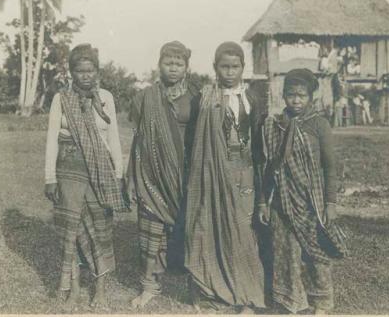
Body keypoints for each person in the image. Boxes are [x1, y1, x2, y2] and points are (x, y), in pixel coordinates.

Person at [184, 42, 266, 313]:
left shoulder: (252, 98)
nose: (230, 72)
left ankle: (247, 297)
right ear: (215, 67)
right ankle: (212, 292)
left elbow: (258, 144)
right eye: (224, 66)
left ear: (244, 67)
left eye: (235, 66)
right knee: (210, 229)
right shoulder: (205, 97)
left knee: (243, 233)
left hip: (244, 172)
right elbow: (195, 140)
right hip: (212, 171)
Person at [257, 68, 347, 314]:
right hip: (283, 201)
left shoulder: (319, 124)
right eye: (290, 95)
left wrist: (330, 204)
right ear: (283, 96)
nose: (296, 100)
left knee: (317, 254)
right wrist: (263, 202)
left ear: (311, 97)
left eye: (302, 95)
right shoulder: (275, 125)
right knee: (287, 253)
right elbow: (268, 167)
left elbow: (330, 166)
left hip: (312, 202)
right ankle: (291, 301)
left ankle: (321, 302)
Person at [44, 43, 128, 307]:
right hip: (68, 171)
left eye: (90, 70)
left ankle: (101, 289)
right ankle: (75, 289)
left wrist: (119, 173)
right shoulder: (61, 99)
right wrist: (50, 177)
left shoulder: (106, 98)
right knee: (71, 231)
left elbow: (113, 138)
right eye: (80, 71)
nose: (86, 76)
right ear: (72, 73)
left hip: (100, 173)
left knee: (101, 231)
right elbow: (51, 140)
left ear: (97, 71)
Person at [127, 41, 201, 308]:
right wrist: (132, 177)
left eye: (178, 63)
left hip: (186, 176)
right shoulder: (145, 97)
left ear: (186, 67)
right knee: (151, 232)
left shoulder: (196, 97)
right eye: (168, 63)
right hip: (152, 175)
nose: (173, 68)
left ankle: (197, 290)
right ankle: (149, 286)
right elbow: (139, 139)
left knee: (193, 232)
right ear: (159, 65)